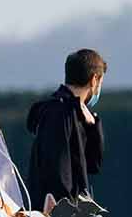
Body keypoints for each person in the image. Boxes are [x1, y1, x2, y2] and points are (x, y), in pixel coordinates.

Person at [25, 48, 107, 205]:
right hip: (54, 212)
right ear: (94, 79)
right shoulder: (60, 112)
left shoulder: (76, 113)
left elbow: (93, 164)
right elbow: (58, 166)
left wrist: (93, 126)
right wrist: (65, 208)